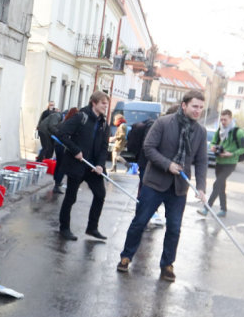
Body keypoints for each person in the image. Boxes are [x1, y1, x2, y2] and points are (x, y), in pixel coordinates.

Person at [117, 91, 208, 281]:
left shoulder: (200, 132)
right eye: (195, 106)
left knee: (174, 228)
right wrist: (168, 164)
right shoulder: (164, 123)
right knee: (140, 222)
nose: (198, 110)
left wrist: (201, 187)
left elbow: (201, 161)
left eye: (201, 107)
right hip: (154, 183)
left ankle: (167, 265)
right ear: (184, 105)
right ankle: (126, 256)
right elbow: (148, 148)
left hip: (179, 187)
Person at [54, 91, 111, 241]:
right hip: (77, 165)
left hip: (93, 167)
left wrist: (100, 165)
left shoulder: (104, 124)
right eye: (103, 103)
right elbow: (61, 133)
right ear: (94, 103)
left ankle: (92, 228)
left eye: (107, 103)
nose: (106, 106)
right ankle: (64, 228)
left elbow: (104, 147)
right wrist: (75, 150)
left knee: (100, 195)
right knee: (71, 197)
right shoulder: (81, 117)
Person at [199, 110, 244, 217]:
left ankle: (206, 208)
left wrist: (231, 154)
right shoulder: (220, 130)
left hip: (230, 163)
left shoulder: (238, 132)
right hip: (219, 162)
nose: (223, 121)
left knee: (217, 184)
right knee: (221, 186)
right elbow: (213, 141)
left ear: (230, 119)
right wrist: (212, 146)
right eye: (221, 119)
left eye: (225, 119)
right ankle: (224, 209)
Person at [52, 107, 79, 194]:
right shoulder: (71, 123)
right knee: (63, 166)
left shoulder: (64, 122)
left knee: (59, 164)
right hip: (63, 147)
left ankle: (57, 182)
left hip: (58, 145)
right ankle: (57, 185)